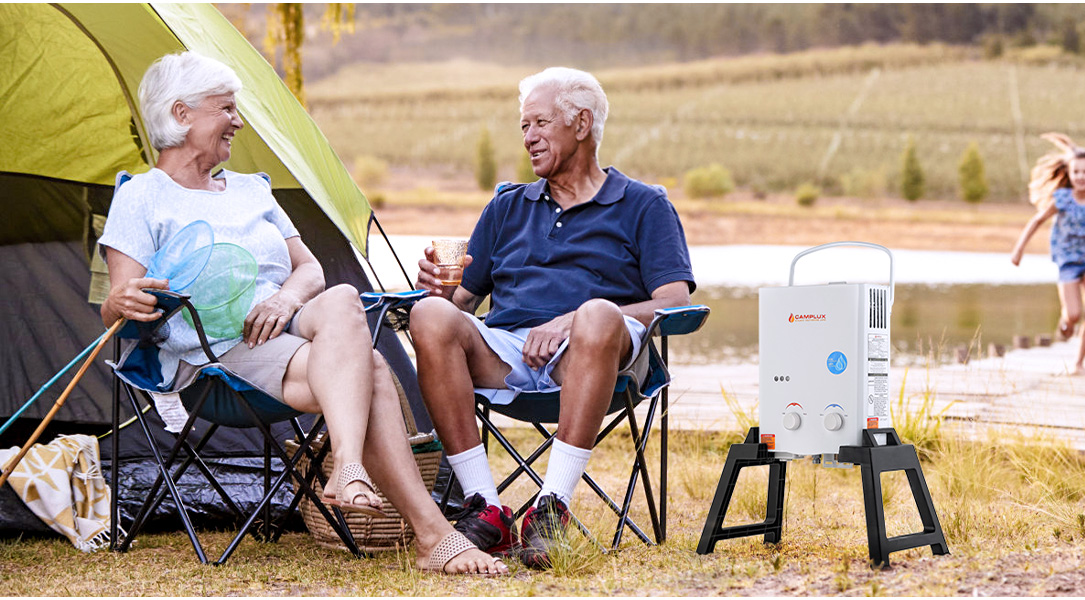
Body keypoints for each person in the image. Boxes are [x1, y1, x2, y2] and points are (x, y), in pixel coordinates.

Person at [97, 52, 503, 576]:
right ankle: (433, 536)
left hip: (288, 326)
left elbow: (310, 269)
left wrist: (284, 299)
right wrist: (118, 303)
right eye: (226, 109)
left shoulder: (251, 189)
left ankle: (352, 468)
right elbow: (121, 303)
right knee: (374, 371)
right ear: (181, 115)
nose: (238, 121)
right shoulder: (142, 199)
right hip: (217, 359)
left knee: (341, 298)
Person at [409, 67, 695, 570]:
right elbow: (460, 311)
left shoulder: (644, 204)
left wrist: (571, 321)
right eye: (523, 127)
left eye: (540, 123)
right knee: (429, 314)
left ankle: (551, 509)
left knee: (598, 315)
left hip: (596, 357)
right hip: (509, 355)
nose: (528, 138)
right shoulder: (506, 206)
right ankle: (486, 507)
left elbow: (673, 300)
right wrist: (439, 288)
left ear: (581, 124)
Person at [1011, 134, 1085, 376]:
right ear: (1069, 174)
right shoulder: (1062, 199)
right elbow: (1037, 220)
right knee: (1074, 314)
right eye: (1076, 172)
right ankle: (1065, 323)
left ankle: (1079, 363)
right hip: (1067, 261)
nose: (1080, 177)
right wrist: (1019, 249)